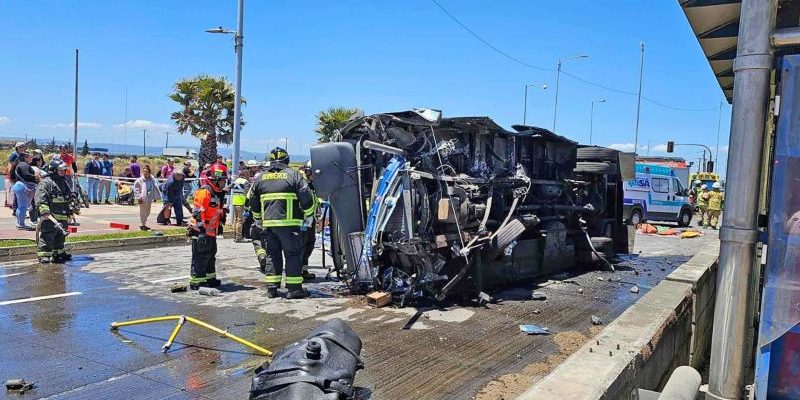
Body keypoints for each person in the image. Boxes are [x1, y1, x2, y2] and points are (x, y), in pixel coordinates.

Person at [248, 147, 315, 299]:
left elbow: (253, 200)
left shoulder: (261, 177)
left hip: (268, 225)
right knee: (292, 255)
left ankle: (272, 288)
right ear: (287, 160)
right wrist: (309, 216)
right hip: (290, 225)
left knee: (272, 255)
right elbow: (306, 196)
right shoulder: (294, 175)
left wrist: (258, 219)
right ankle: (294, 289)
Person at [187, 164, 227, 290]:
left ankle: (210, 278)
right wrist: (201, 232)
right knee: (200, 256)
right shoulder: (205, 192)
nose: (224, 183)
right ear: (215, 179)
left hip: (210, 231)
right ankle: (197, 281)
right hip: (201, 231)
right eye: (222, 180)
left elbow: (215, 211)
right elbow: (198, 213)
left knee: (210, 255)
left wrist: (220, 223)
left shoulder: (216, 193)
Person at [34, 160, 73, 263]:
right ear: (54, 170)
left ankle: (59, 253)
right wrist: (44, 211)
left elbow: (68, 197)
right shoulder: (46, 183)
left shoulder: (63, 182)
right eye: (61, 170)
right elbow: (40, 198)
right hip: (50, 216)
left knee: (60, 236)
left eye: (64, 170)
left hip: (63, 215)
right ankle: (44, 254)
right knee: (48, 235)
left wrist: (71, 207)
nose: (63, 172)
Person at [299, 162, 319, 280]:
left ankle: (304, 269)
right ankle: (298, 271)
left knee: (309, 244)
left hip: (311, 219)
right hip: (303, 220)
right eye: (307, 171)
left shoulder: (312, 185)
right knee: (302, 245)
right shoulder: (303, 184)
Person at [12, 153, 37, 230]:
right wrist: (36, 177)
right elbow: (26, 175)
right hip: (24, 186)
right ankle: (21, 224)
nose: (31, 158)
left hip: (19, 185)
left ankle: (19, 223)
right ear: (25, 158)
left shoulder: (20, 164)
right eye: (29, 156)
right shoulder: (23, 164)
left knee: (20, 206)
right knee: (23, 207)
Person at [133, 165, 161, 231]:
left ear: (149, 172)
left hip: (149, 198)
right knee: (142, 212)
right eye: (143, 171)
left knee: (147, 212)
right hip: (142, 198)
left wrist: (155, 197)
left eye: (146, 171)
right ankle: (142, 225)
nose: (145, 172)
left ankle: (144, 223)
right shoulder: (139, 180)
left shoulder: (152, 180)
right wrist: (138, 197)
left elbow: (155, 188)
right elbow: (136, 189)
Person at [230, 170, 252, 242]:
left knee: (236, 220)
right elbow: (247, 193)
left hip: (234, 201)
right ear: (245, 175)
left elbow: (228, 187)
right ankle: (239, 237)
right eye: (248, 175)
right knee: (240, 220)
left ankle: (234, 236)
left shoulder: (236, 181)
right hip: (241, 202)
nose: (249, 176)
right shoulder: (246, 182)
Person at [5, 142, 26, 208]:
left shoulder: (20, 155)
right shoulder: (14, 155)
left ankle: (11, 203)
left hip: (16, 173)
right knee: (11, 189)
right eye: (22, 147)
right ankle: (12, 203)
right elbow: (10, 165)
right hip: (12, 174)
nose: (24, 148)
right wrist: (10, 175)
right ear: (18, 148)